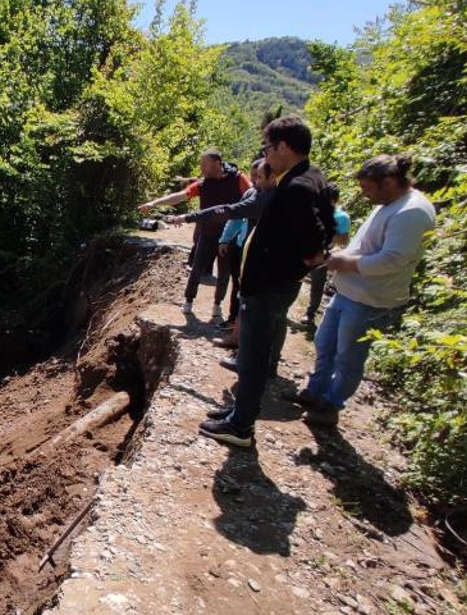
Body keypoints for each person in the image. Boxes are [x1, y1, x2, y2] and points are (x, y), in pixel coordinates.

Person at [199, 117, 334, 448]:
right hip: (271, 283)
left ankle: (241, 427)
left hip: (268, 286)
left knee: (253, 357)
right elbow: (326, 227)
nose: (265, 154)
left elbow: (315, 241)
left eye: (268, 147)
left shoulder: (298, 187)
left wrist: (302, 261)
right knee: (251, 354)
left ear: (283, 147)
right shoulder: (311, 177)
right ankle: (239, 413)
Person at [294, 154, 436, 425]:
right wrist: (335, 256)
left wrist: (344, 263)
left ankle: (331, 405)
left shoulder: (412, 212)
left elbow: (391, 260)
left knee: (349, 357)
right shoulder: (389, 204)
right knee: (325, 342)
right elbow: (366, 246)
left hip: (371, 300)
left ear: (389, 182)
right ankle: (316, 390)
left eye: (368, 188)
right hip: (349, 292)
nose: (365, 195)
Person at [172, 159, 275, 348]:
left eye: (259, 177)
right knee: (242, 291)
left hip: (264, 258)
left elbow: (227, 211)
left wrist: (188, 217)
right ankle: (237, 335)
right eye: (254, 176)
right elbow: (234, 216)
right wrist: (225, 239)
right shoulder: (254, 194)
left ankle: (256, 351)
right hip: (242, 247)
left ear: (273, 178)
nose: (254, 181)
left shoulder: (267, 198)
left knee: (249, 296)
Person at [140, 149, 250, 315]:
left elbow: (253, 197)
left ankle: (217, 304)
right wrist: (153, 203)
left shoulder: (239, 179)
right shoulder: (203, 184)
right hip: (208, 233)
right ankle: (189, 300)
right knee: (197, 269)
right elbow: (180, 196)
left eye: (204, 164)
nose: (201, 168)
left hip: (230, 236)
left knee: (224, 274)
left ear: (217, 163)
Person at [304, 186, 351, 328]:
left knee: (317, 285)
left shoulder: (342, 217)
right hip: (306, 251)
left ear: (334, 200)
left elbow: (343, 241)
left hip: (324, 256)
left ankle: (310, 313)